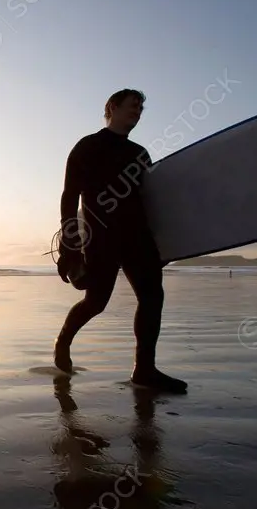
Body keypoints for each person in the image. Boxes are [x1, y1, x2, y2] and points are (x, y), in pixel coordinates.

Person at [53, 89, 186, 393]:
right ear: (112, 107)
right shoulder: (88, 147)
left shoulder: (139, 154)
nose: (138, 112)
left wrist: (166, 243)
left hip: (138, 236)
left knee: (153, 297)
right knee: (96, 302)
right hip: (101, 238)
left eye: (141, 108)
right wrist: (69, 245)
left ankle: (144, 369)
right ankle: (63, 340)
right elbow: (69, 196)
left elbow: (154, 201)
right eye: (132, 106)